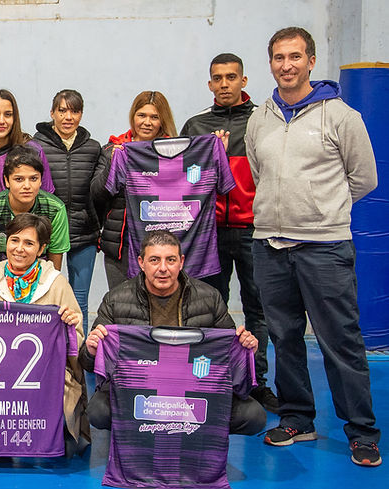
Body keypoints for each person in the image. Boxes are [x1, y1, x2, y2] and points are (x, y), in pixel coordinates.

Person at [246, 27, 381, 466]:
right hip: (269, 245)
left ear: (310, 61)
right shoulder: (260, 117)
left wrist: (323, 210)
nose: (286, 65)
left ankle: (361, 430)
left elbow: (364, 179)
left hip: (324, 247)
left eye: (295, 56)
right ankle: (297, 418)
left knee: (339, 341)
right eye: (278, 57)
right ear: (270, 63)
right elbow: (260, 172)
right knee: (284, 337)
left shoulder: (342, 115)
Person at [80, 230, 266, 437]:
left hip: (195, 390)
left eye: (170, 260)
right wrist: (90, 350)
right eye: (154, 260)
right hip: (137, 391)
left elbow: (230, 357)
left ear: (181, 262)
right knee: (98, 411)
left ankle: (194, 437)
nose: (163, 268)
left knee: (253, 415)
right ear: (141, 262)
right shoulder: (116, 299)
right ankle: (141, 438)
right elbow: (88, 362)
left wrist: (248, 348)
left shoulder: (209, 297)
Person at [179, 53, 278, 413]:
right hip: (208, 234)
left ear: (244, 81)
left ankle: (257, 383)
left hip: (255, 229)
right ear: (209, 84)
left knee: (259, 311)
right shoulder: (196, 124)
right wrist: (210, 158)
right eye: (217, 78)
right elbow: (185, 181)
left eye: (231, 77)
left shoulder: (264, 121)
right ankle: (213, 379)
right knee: (207, 309)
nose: (224, 84)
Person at [0, 213, 88, 450]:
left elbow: (78, 338)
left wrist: (70, 325)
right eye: (14, 240)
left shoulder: (56, 282)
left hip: (45, 373)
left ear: (42, 249)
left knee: (63, 433)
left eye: (29, 243)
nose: (19, 249)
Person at [32, 89, 102, 335]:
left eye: (74, 111)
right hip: (47, 236)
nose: (68, 116)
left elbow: (101, 190)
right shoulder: (35, 145)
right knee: (46, 300)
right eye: (62, 110)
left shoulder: (94, 148)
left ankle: (78, 357)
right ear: (52, 113)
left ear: (81, 114)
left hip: (85, 235)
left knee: (79, 301)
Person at [92, 90, 176, 290]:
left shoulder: (175, 155)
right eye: (142, 115)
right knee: (121, 306)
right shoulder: (113, 149)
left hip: (160, 247)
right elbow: (96, 194)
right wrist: (113, 166)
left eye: (154, 117)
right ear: (133, 117)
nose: (147, 122)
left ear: (162, 120)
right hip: (120, 246)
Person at [0, 146, 69, 271]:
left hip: (40, 277)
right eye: (19, 179)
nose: (27, 186)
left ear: (41, 180)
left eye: (33, 179)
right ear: (7, 181)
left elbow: (54, 261)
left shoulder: (55, 209)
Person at [0, 89, 53, 195]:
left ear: (15, 118)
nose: (1, 121)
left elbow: (47, 194)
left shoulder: (33, 149)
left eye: (8, 114)